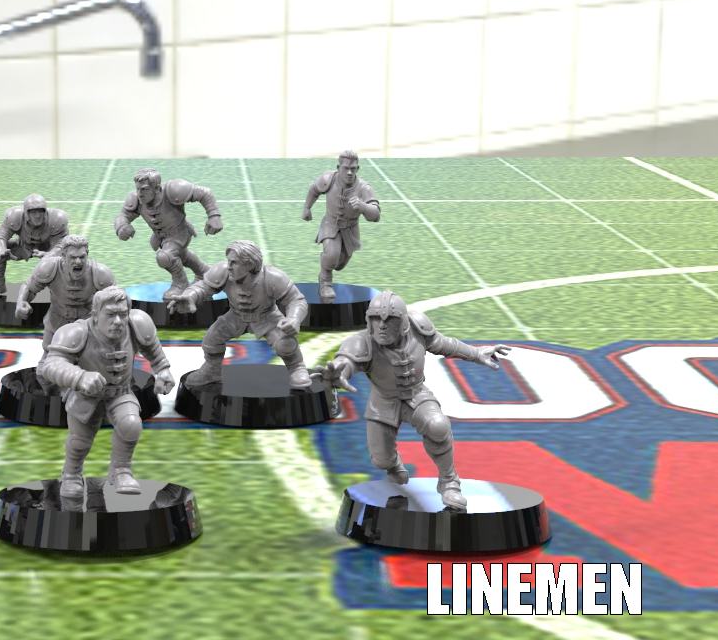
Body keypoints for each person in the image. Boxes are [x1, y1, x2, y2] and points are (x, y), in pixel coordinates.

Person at [318, 291, 512, 510]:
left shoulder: (418, 327)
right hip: (383, 401)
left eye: (389, 320)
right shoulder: (362, 342)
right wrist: (339, 372)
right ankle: (393, 465)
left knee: (438, 425)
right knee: (381, 460)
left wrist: (476, 354)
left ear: (402, 322)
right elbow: (346, 361)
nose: (382, 326)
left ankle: (449, 482)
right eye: (375, 319)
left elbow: (443, 344)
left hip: (417, 394)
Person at [38, 286, 175, 497]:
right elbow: (51, 365)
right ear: (95, 314)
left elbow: (154, 350)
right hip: (85, 396)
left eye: (122, 314)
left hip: (121, 392)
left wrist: (163, 370)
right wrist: (79, 377)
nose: (118, 321)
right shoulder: (76, 332)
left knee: (131, 425)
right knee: (80, 441)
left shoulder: (137, 324)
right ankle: (71, 474)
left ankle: (121, 470)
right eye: (110, 314)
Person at [168, 240, 311, 389]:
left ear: (249, 264)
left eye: (234, 262)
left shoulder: (273, 277)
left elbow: (296, 300)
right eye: (228, 261)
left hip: (267, 317)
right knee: (212, 338)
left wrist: (294, 319)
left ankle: (297, 368)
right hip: (235, 317)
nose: (229, 266)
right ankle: (212, 370)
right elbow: (203, 287)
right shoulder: (224, 271)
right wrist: (190, 295)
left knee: (285, 343)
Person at [114, 168, 222, 301]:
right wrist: (122, 226)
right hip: (162, 237)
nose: (140, 193)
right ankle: (204, 272)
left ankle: (180, 283)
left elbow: (205, 193)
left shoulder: (173, 190)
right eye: (138, 189)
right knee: (181, 255)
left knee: (165, 256)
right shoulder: (136, 199)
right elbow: (123, 215)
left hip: (179, 232)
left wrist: (214, 215)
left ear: (157, 188)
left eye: (145, 189)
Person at [302, 151, 381, 300]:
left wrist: (363, 206)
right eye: (346, 168)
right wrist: (307, 208)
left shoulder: (363, 188)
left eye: (353, 168)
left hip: (350, 230)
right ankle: (325, 283)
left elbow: (375, 215)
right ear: (339, 167)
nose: (349, 172)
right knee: (331, 255)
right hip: (330, 224)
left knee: (339, 264)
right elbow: (314, 189)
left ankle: (330, 266)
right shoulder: (328, 179)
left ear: (358, 169)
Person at [14, 235, 115, 349]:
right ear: (63, 256)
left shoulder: (100, 273)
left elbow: (117, 299)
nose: (78, 262)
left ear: (87, 254)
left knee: (91, 358)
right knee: (48, 357)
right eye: (73, 257)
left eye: (82, 257)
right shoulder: (49, 268)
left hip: (87, 326)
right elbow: (29, 287)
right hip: (56, 324)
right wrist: (21, 302)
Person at [0, 193, 70, 298]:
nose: (37, 215)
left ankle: (61, 288)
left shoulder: (57, 220)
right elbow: (0, 234)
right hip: (24, 247)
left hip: (48, 249)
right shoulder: (15, 217)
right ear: (26, 212)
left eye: (40, 211)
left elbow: (62, 244)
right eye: (33, 212)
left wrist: (49, 255)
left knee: (68, 255)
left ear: (45, 211)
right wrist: (1, 249)